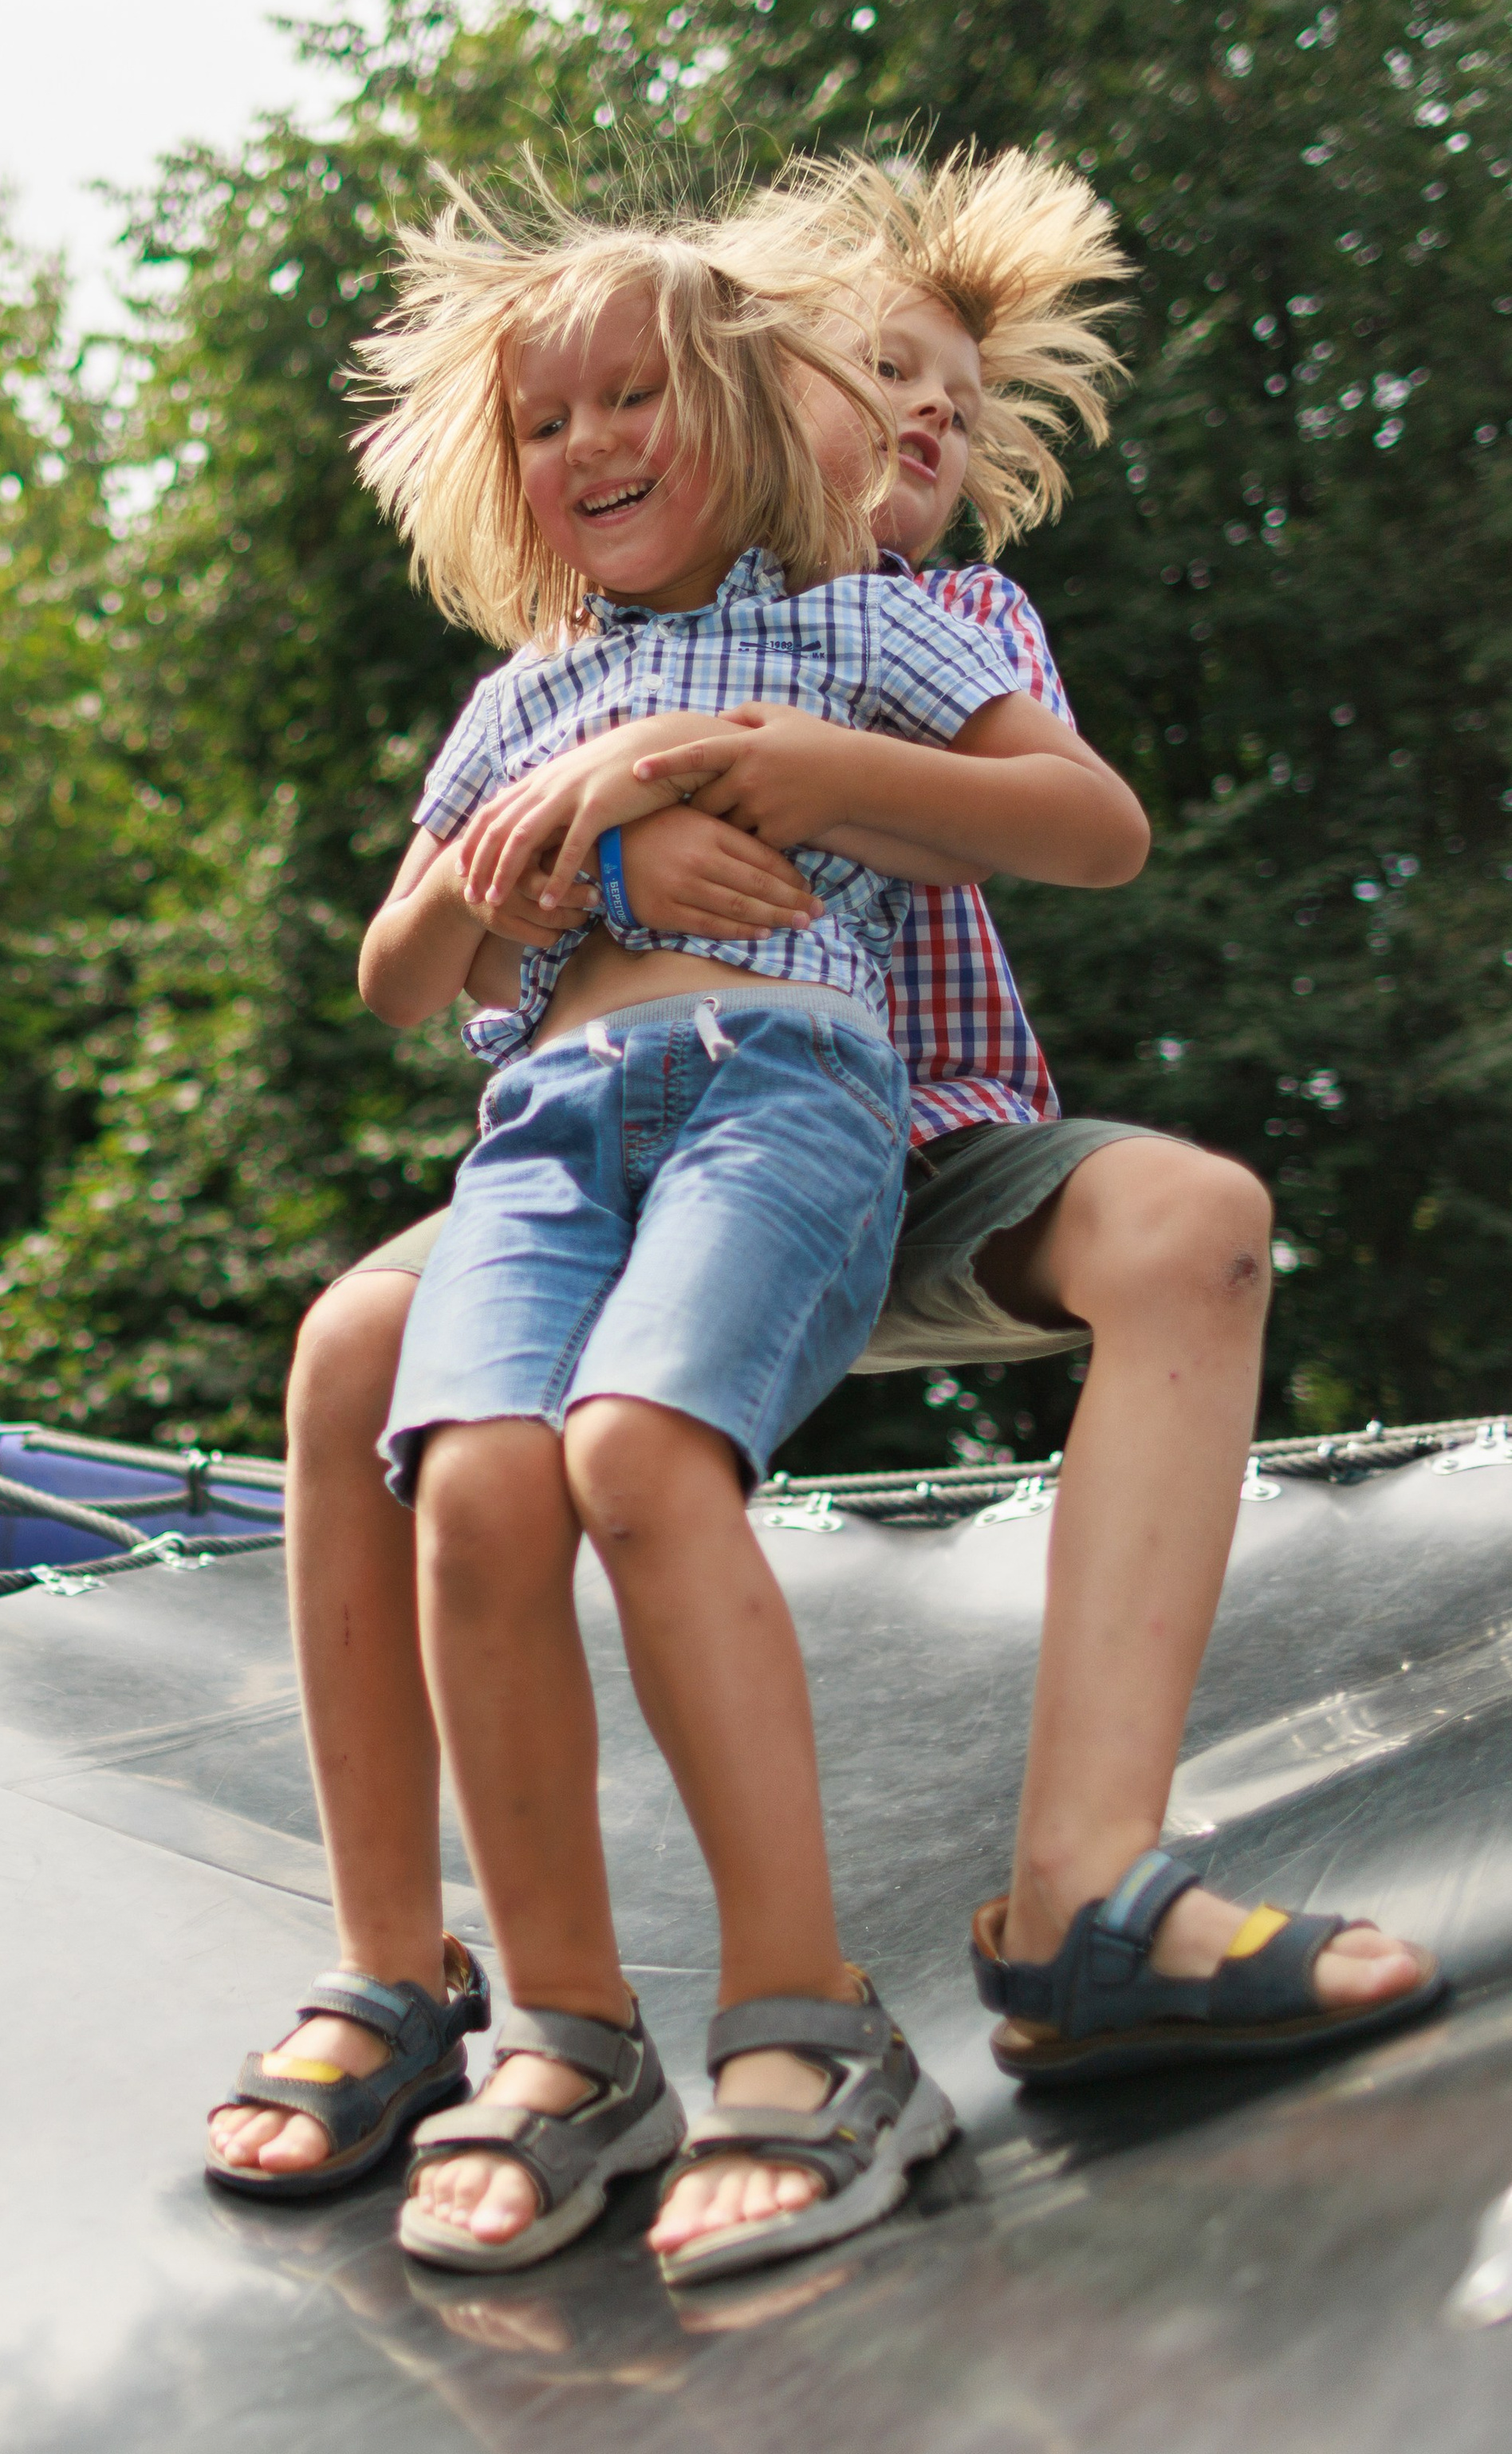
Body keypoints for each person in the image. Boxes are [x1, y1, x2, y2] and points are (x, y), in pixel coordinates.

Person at [207, 151, 1441, 2262]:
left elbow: (1071, 823)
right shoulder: (560, 664)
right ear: (800, 403)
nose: (924, 424)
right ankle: (422, 1980)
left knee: (1191, 1215)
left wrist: (780, 766)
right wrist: (600, 855)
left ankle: (1082, 1898)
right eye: (885, 379)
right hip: (595, 1132)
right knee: (364, 1367)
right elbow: (431, 949)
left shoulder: (911, 621)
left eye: (955, 402)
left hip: (891, 1120)